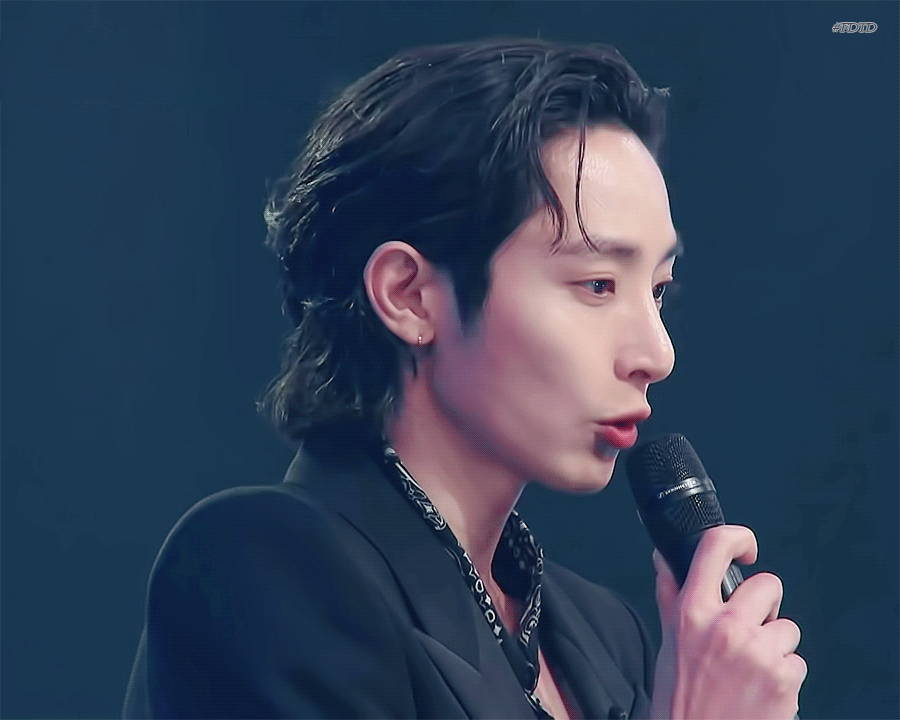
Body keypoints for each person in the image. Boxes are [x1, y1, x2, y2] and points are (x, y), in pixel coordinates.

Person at [122, 37, 806, 719]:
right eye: (597, 284)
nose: (657, 354)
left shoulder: (605, 637)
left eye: (656, 290)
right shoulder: (263, 572)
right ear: (410, 295)